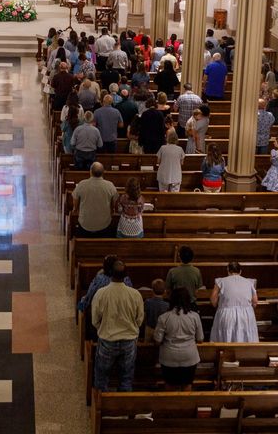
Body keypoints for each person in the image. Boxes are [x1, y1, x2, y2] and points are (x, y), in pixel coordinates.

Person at [90, 262, 143, 392]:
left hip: (108, 339)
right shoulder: (135, 294)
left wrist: (102, 329)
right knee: (126, 377)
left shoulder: (101, 293)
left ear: (110, 274)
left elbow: (95, 320)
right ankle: (122, 408)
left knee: (102, 377)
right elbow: (139, 319)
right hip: (129, 342)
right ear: (126, 276)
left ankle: (102, 407)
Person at [153, 288, 202, 390]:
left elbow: (157, 341)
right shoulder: (194, 316)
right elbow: (200, 338)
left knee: (170, 384)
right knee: (187, 384)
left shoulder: (164, 317)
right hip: (189, 356)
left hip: (169, 356)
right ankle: (186, 405)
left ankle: (171, 405)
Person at [209, 262, 259, 342]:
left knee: (226, 338)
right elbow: (255, 302)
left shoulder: (221, 281)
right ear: (240, 271)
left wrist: (219, 306)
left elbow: (213, 299)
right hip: (245, 315)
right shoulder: (249, 282)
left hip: (226, 314)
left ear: (228, 270)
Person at [72, 163, 117, 237]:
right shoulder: (110, 185)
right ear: (103, 173)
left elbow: (75, 202)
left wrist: (75, 209)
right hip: (104, 225)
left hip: (85, 225)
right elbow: (113, 205)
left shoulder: (82, 184)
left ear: (90, 172)